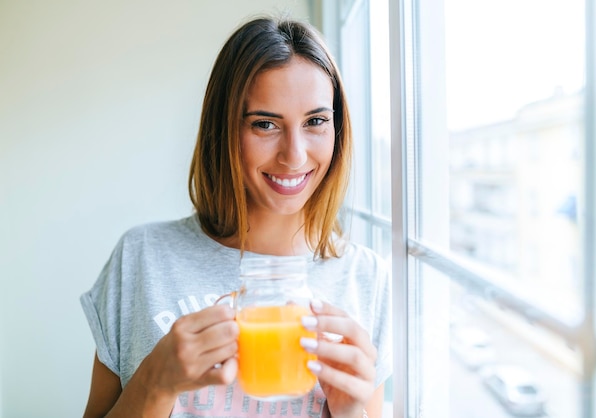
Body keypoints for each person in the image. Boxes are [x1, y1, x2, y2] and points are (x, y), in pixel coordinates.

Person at [80, 16, 391, 418]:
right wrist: (154, 382)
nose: (294, 155)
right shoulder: (141, 259)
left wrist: (351, 412)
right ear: (225, 129)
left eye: (315, 122)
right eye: (265, 124)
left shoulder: (366, 278)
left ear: (338, 129)